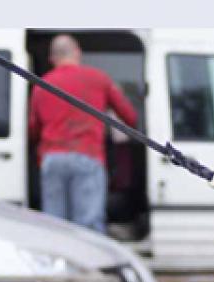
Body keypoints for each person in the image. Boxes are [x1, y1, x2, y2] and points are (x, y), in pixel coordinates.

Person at [28, 35, 138, 234]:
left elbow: (33, 129)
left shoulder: (41, 85)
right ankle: (89, 264)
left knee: (54, 225)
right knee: (88, 226)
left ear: (52, 58)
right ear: (78, 52)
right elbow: (129, 117)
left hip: (52, 159)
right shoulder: (98, 78)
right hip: (87, 156)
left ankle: (58, 264)